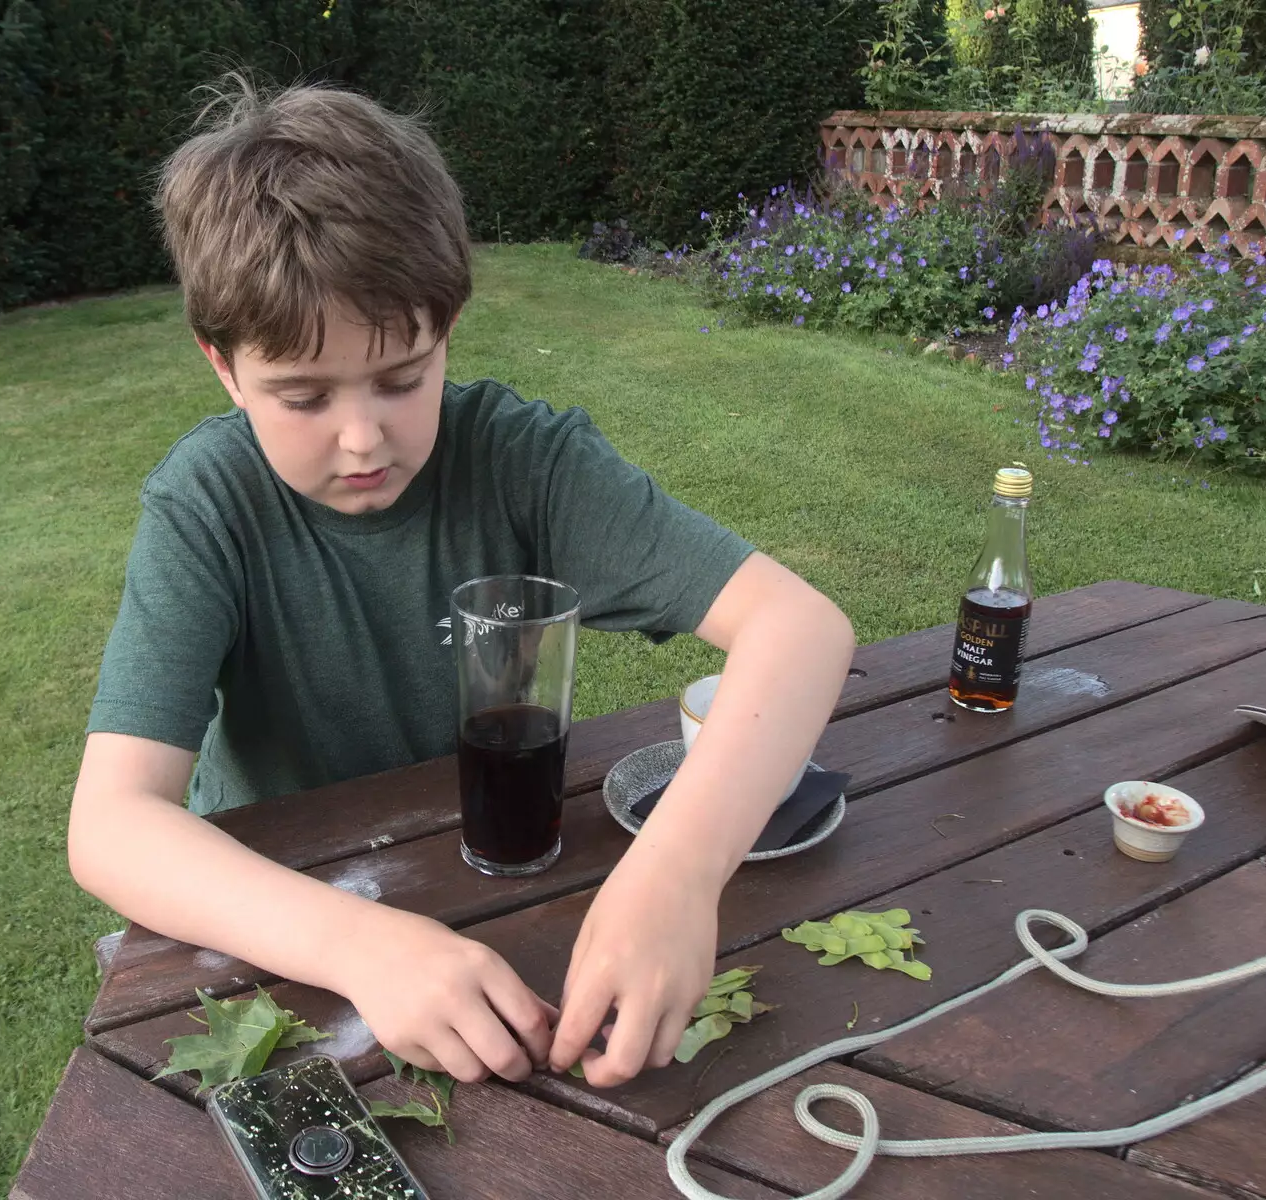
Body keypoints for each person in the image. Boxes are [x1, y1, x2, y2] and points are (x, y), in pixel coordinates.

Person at [67, 77, 855, 1091]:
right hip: (282, 924)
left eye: (402, 376)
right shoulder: (206, 502)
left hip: (497, 889)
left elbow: (799, 628)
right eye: (301, 396)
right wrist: (363, 947)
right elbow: (113, 825)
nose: (362, 439)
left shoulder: (524, 459)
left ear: (448, 328)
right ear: (222, 367)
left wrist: (675, 874)